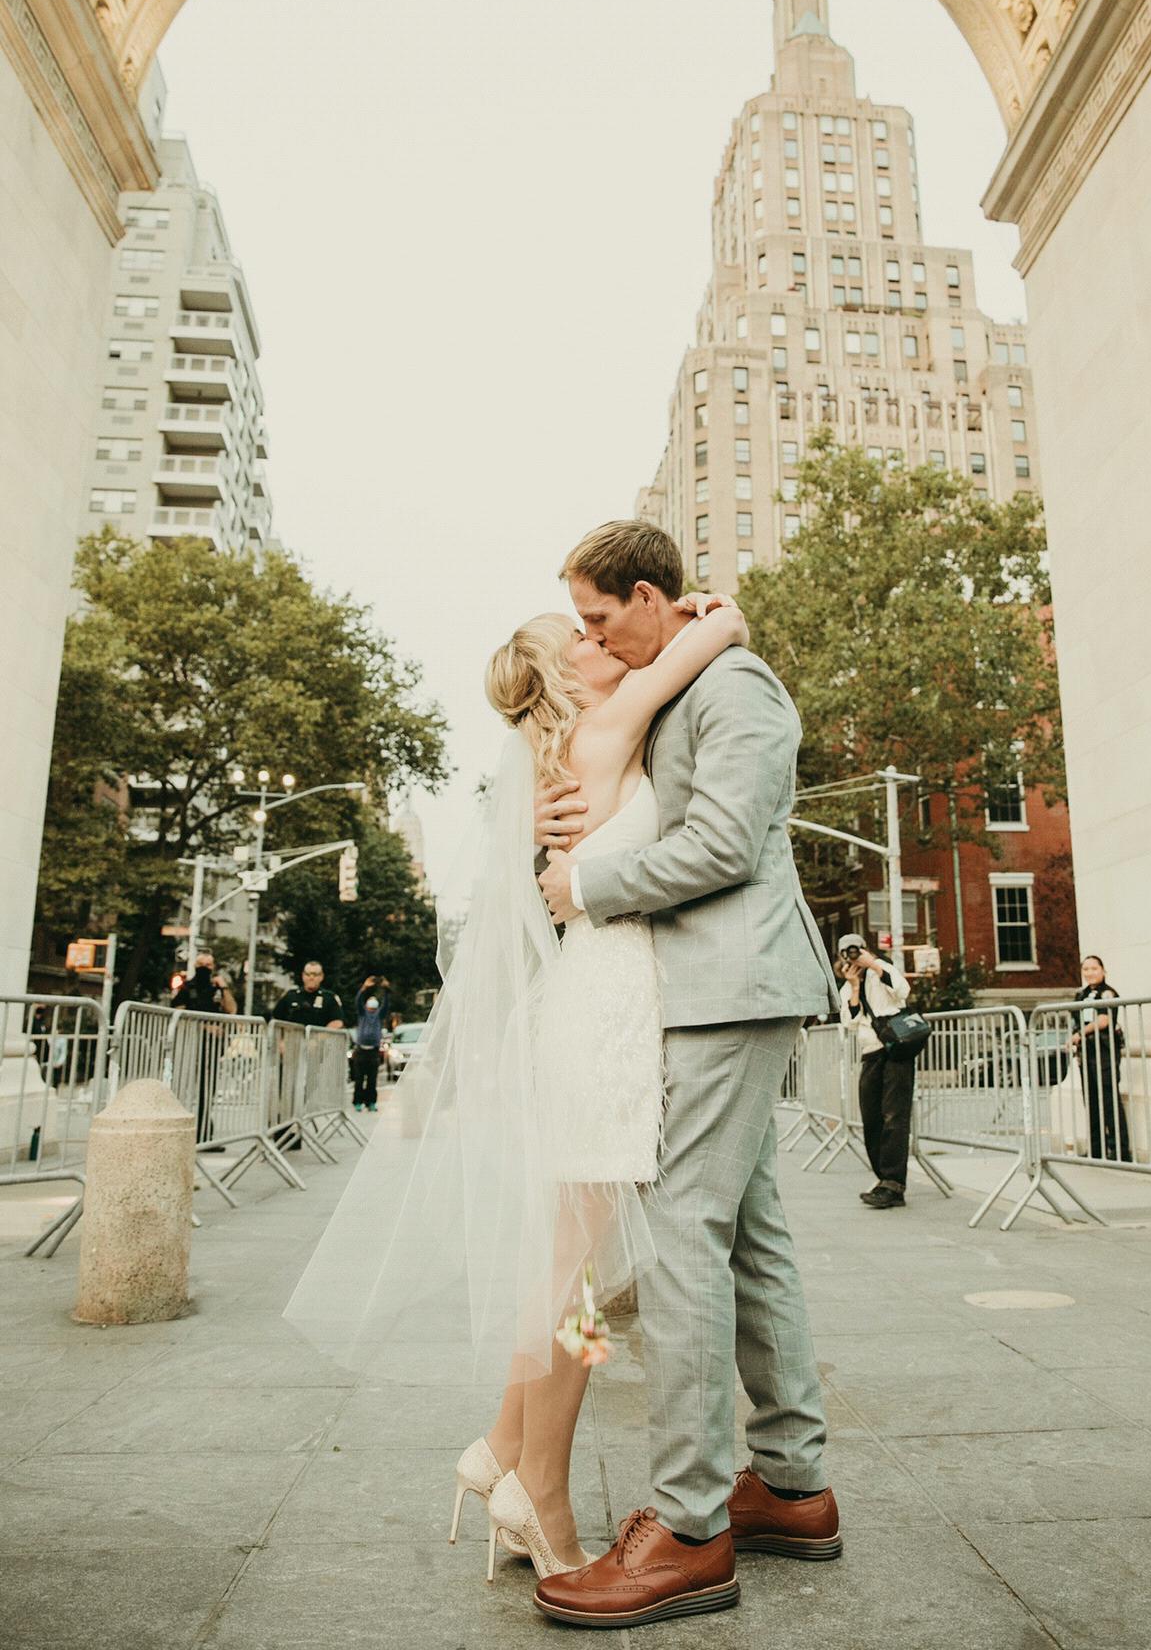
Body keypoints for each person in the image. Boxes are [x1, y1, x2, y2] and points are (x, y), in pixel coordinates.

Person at [286, 548, 770, 1609]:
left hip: (601, 1020)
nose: (600, 644)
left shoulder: (579, 748)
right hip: (599, 1027)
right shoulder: (604, 729)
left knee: (576, 1272)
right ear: (568, 679)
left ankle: (504, 1450)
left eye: (599, 632)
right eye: (583, 640)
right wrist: (711, 610)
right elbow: (711, 636)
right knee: (576, 1285)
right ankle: (534, 1486)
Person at [532, 520, 841, 1629]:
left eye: (601, 616)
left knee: (678, 1233)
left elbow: (724, 845)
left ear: (649, 594)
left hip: (732, 988)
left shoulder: (738, 690)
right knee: (748, 1233)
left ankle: (689, 1524)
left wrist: (588, 887)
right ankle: (792, 1485)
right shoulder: (678, 686)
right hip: (705, 989)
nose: (591, 636)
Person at [836, 935, 916, 1210]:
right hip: (871, 1054)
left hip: (896, 1051)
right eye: (848, 954)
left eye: (856, 950)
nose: (853, 957)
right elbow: (851, 1023)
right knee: (871, 1118)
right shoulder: (848, 987)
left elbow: (903, 991)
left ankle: (894, 1184)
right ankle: (884, 1180)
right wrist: (854, 986)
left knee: (894, 1116)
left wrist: (874, 965)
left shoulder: (883, 968)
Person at [269, 961, 345, 1152]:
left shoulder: (328, 998)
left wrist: (317, 1039)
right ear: (303, 976)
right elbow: (275, 1020)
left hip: (314, 1055)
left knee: (303, 1093)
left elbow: (337, 1022)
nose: (311, 977)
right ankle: (282, 1133)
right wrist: (281, 1042)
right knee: (284, 1093)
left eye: (315, 974)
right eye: (308, 974)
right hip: (289, 1055)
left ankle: (295, 1127)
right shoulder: (291, 996)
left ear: (321, 977)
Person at [1070, 954, 1131, 1161]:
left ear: (1103, 971)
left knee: (1108, 1098)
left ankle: (1120, 1149)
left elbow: (1104, 1020)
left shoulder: (1108, 993)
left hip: (1103, 1051)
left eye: (1094, 968)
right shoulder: (1081, 995)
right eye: (1085, 969)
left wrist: (1081, 1033)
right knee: (1091, 1100)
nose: (1090, 973)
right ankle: (1097, 1148)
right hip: (1086, 1053)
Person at [176, 950, 236, 1150]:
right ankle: (181, 1133)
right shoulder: (187, 987)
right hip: (190, 1045)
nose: (205, 969)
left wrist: (224, 987)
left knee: (207, 1090)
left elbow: (232, 1010)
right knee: (184, 1089)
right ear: (195, 966)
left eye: (209, 965)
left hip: (212, 1047)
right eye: (202, 965)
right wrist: (204, 1026)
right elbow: (178, 1014)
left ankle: (204, 1133)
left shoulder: (216, 988)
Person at [350, 975, 391, 1112]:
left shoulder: (379, 1015)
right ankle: (358, 1102)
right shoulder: (363, 1013)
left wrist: (385, 990)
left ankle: (371, 1102)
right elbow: (357, 1001)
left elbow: (386, 1005)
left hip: (373, 1050)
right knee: (359, 1079)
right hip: (361, 1050)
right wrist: (364, 988)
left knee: (372, 1079)